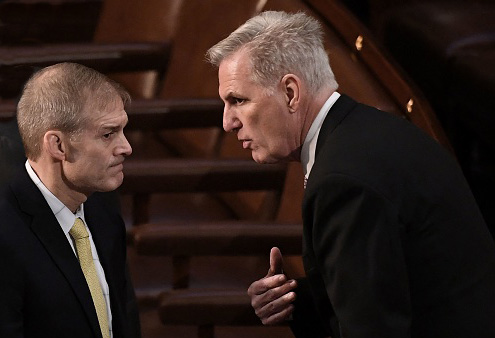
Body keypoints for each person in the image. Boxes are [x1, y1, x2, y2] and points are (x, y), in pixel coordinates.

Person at [206, 10, 495, 338]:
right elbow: (391, 283)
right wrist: (296, 299)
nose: (228, 122)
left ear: (290, 93)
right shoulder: (371, 132)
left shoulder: (343, 181)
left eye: (238, 100)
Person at [0, 62, 140, 338]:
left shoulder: (103, 211)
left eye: (123, 130)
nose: (126, 147)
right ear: (58, 145)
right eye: (108, 134)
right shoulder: (5, 235)